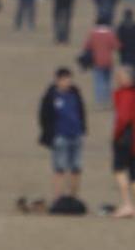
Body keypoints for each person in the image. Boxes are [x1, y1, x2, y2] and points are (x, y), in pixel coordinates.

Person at [38, 66, 87, 203]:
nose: (67, 82)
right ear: (58, 80)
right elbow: (44, 116)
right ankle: (58, 198)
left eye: (69, 79)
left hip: (75, 135)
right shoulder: (51, 96)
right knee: (59, 169)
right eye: (64, 79)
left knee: (76, 168)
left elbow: (81, 112)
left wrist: (82, 129)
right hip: (60, 136)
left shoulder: (75, 94)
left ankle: (74, 197)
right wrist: (50, 133)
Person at [111, 66, 135, 218]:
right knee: (134, 173)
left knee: (119, 170)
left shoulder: (126, 95)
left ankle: (127, 204)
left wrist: (116, 134)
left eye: (120, 76)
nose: (117, 79)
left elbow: (123, 118)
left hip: (124, 137)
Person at [79, 17, 118, 109]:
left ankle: (100, 99)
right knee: (107, 81)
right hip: (108, 61)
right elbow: (116, 45)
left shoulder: (93, 34)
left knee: (98, 81)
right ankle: (107, 98)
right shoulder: (110, 34)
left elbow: (87, 46)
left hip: (97, 61)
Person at [116, 7, 135, 84]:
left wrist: (120, 50)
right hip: (134, 55)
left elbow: (117, 41)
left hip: (124, 55)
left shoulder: (120, 27)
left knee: (125, 75)